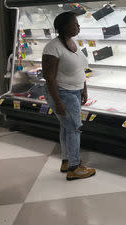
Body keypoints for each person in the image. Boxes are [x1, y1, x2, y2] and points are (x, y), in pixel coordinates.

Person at [42, 11, 96, 181]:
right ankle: (74, 167)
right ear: (64, 26)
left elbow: (80, 68)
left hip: (74, 92)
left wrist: (84, 88)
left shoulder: (73, 43)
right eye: (75, 23)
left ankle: (67, 161)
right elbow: (48, 77)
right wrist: (57, 102)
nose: (78, 26)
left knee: (67, 128)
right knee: (74, 128)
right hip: (62, 93)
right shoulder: (53, 47)